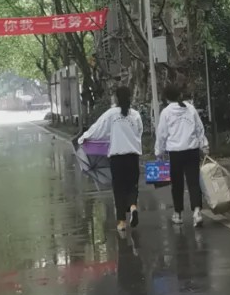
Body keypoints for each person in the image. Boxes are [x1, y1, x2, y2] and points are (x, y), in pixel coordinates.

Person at [79, 86, 143, 232]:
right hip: (133, 156)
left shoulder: (111, 114)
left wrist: (84, 138)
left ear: (116, 98)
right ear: (130, 97)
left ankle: (121, 222)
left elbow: (97, 129)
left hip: (117, 158)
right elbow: (139, 132)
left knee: (119, 189)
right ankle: (133, 206)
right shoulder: (135, 115)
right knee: (132, 186)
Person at [155, 82, 208, 228]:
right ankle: (197, 212)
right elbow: (199, 129)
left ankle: (178, 213)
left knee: (177, 184)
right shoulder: (190, 109)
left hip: (175, 153)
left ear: (166, 98)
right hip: (191, 151)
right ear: (179, 95)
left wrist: (158, 152)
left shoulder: (166, 112)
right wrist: (204, 145)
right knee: (193, 182)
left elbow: (162, 135)